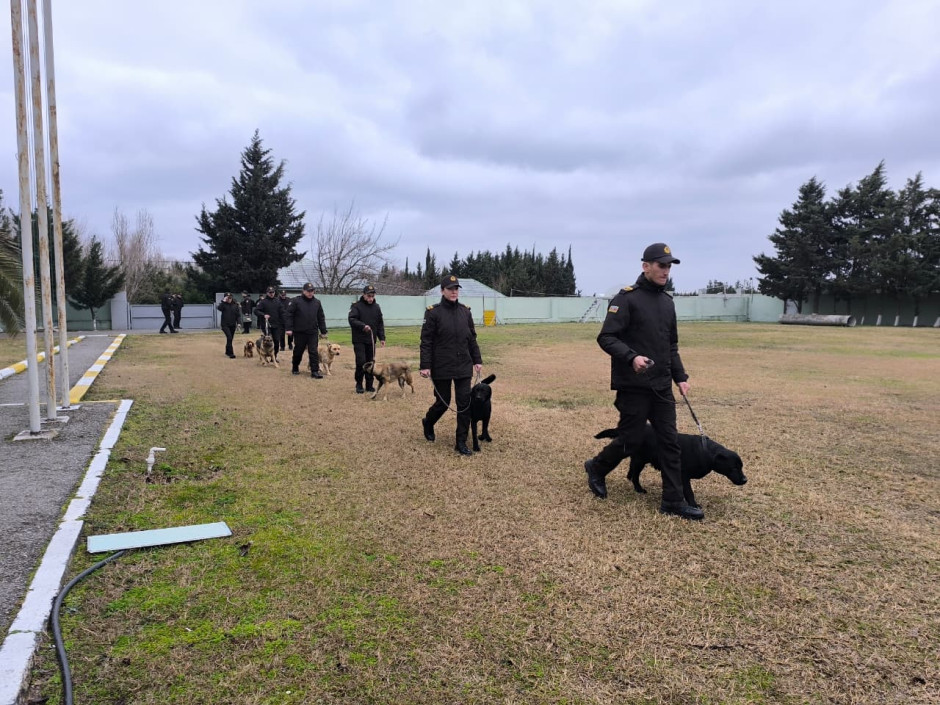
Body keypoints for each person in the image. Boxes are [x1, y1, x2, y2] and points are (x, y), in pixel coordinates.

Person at [583, 243, 704, 520]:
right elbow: (606, 337)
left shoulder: (667, 303)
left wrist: (680, 377)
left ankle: (672, 501)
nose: (666, 271)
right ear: (645, 266)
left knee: (669, 442)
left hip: (661, 387)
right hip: (633, 386)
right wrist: (632, 357)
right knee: (631, 439)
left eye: (669, 266)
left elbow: (670, 346)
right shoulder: (627, 299)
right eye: (661, 265)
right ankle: (597, 467)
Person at [419, 274, 483, 456]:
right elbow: (426, 341)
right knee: (443, 402)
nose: (454, 292)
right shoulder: (433, 313)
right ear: (442, 291)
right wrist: (425, 365)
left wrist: (477, 360)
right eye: (450, 289)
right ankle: (428, 422)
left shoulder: (465, 312)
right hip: (442, 365)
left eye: (456, 289)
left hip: (463, 364)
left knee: (464, 404)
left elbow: (472, 338)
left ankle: (460, 442)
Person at [348, 284, 386, 394]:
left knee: (370, 362)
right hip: (359, 340)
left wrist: (382, 337)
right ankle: (359, 384)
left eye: (372, 296)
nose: (371, 298)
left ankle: (369, 384)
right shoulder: (356, 306)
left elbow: (380, 323)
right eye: (369, 296)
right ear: (364, 295)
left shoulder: (377, 307)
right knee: (361, 362)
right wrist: (362, 326)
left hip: (371, 340)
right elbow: (352, 319)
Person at [284, 282, 327, 378]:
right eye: (308, 291)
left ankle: (314, 371)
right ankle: (295, 366)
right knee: (298, 351)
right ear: (303, 291)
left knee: (313, 351)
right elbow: (289, 315)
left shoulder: (317, 302)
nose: (310, 293)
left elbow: (321, 317)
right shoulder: (296, 301)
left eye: (312, 291)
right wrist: (289, 328)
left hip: (312, 331)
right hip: (300, 331)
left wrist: (323, 331)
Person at [255, 286, 285, 360]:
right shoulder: (263, 302)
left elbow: (282, 312)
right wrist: (263, 315)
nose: (271, 294)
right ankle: (264, 355)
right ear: (267, 293)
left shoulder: (278, 301)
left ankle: (274, 357)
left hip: (276, 325)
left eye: (273, 292)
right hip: (266, 325)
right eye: (270, 292)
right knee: (267, 342)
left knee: (276, 341)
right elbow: (256, 311)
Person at [217, 292, 241, 359]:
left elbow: (238, 315)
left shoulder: (235, 305)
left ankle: (227, 351)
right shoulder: (223, 305)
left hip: (232, 324)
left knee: (230, 339)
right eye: (227, 298)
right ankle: (231, 353)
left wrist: (239, 323)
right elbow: (219, 308)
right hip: (225, 325)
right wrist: (223, 301)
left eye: (230, 297)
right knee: (229, 337)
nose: (229, 299)